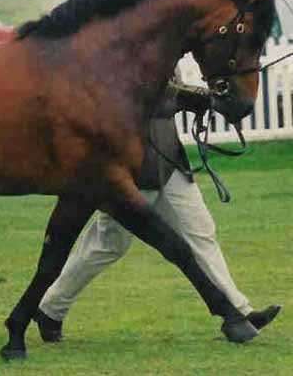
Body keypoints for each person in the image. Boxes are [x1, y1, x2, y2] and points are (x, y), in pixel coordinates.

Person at [35, 67, 281, 343]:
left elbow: (173, 90)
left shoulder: (167, 43)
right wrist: (195, 98)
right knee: (107, 244)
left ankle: (238, 311)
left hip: (169, 163)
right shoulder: (125, 46)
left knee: (201, 232)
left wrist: (210, 96)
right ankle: (50, 309)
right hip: (130, 170)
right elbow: (149, 95)